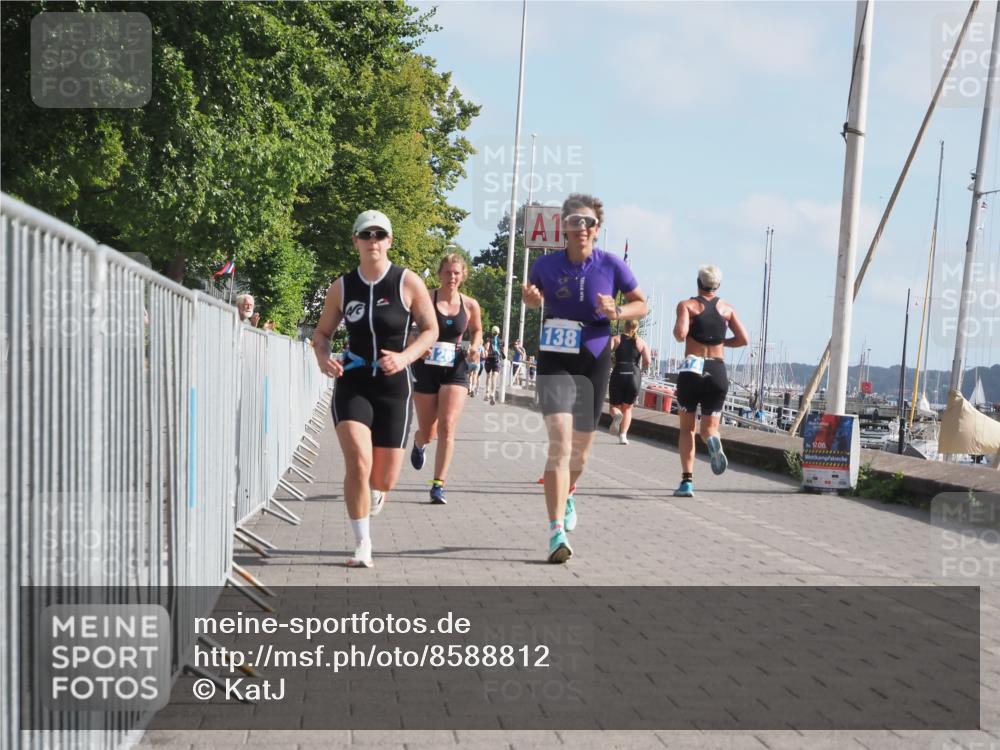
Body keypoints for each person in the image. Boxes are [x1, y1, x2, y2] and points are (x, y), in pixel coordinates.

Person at [522, 193, 647, 563]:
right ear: (563, 226)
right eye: (575, 221)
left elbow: (642, 302)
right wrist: (530, 299)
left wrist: (619, 310)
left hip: (593, 358)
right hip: (555, 357)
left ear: (597, 228)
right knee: (559, 444)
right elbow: (532, 298)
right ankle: (555, 531)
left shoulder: (610, 265)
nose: (582, 228)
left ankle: (570, 490)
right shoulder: (545, 265)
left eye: (588, 222)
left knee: (581, 453)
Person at [312, 210, 438, 567]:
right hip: (353, 381)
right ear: (355, 241)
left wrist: (405, 357)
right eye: (365, 235)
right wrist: (323, 359)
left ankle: (377, 493)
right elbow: (322, 335)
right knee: (358, 461)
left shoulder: (407, 282)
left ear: (389, 241)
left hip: (394, 387)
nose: (373, 241)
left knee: (383, 477)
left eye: (379, 235)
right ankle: (362, 543)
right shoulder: (342, 286)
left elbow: (430, 330)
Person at [409, 253, 484, 504]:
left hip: (456, 367)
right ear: (440, 273)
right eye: (447, 272)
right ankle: (419, 443)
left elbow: (477, 331)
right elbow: (408, 331)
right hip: (426, 367)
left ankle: (438, 485)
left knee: (448, 426)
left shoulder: (470, 305)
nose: (452, 277)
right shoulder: (425, 299)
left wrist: (475, 345)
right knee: (429, 432)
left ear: (463, 275)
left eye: (456, 273)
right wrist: (417, 344)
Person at [671, 264, 748, 498]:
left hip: (693, 368)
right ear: (718, 286)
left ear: (698, 282)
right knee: (708, 429)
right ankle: (713, 440)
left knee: (687, 428)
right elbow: (744, 339)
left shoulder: (688, 305)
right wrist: (721, 342)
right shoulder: (728, 309)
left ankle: (687, 482)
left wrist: (683, 321)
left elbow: (680, 335)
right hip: (717, 370)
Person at [608, 319, 652, 445]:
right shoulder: (641, 342)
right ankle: (623, 436)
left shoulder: (616, 339)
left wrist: (611, 364)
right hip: (634, 374)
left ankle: (616, 415)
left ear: (624, 326)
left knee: (614, 406)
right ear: (637, 328)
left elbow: (605, 354)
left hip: (619, 372)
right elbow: (647, 361)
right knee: (627, 409)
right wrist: (641, 370)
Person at [483, 328, 503, 405]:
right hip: (496, 361)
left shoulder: (489, 339)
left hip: (489, 360)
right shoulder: (501, 341)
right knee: (494, 377)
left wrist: (485, 350)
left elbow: (487, 348)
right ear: (498, 332)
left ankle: (487, 392)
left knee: (488, 376)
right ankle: (492, 393)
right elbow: (502, 352)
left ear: (492, 332)